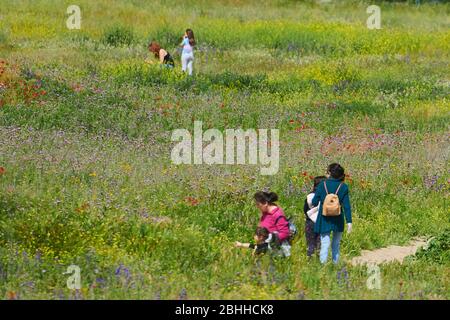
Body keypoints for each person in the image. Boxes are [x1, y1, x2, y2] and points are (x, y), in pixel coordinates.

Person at [312, 163, 352, 264]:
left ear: (330, 173)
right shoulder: (343, 187)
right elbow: (346, 206)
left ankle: (323, 266)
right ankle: (335, 264)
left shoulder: (322, 184)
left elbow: (314, 202)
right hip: (338, 219)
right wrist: (349, 222)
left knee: (325, 243)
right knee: (336, 244)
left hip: (324, 218)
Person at [254, 191, 291, 257]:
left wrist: (270, 239)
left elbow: (285, 233)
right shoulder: (265, 213)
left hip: (276, 251)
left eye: (258, 204)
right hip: (264, 249)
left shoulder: (278, 215)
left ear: (265, 203)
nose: (257, 206)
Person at [304, 176, 326, 258]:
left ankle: (310, 259)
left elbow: (305, 209)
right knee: (320, 243)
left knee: (310, 243)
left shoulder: (309, 196)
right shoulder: (326, 196)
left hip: (310, 222)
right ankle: (319, 260)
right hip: (322, 223)